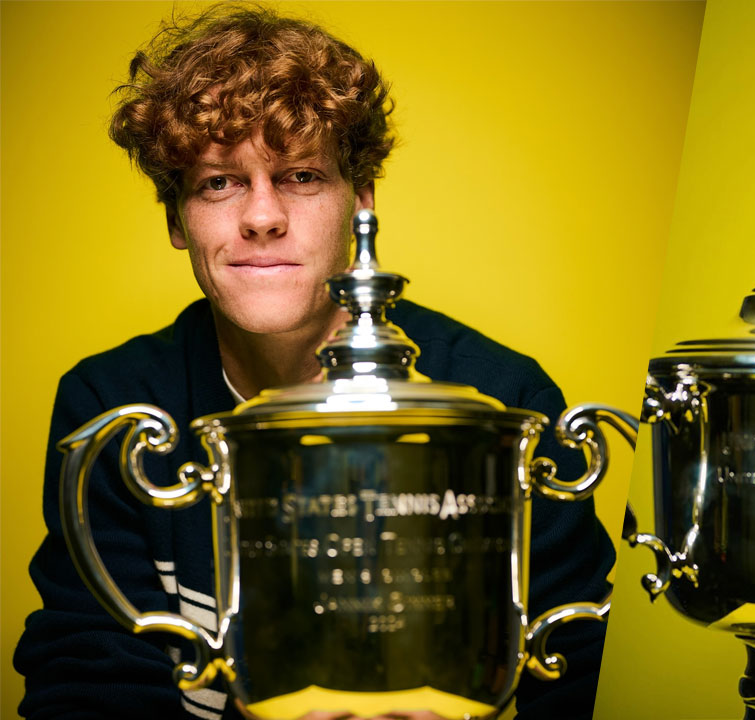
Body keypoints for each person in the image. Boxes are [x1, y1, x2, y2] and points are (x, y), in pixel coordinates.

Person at [13, 6, 612, 720]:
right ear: (176, 219)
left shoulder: (498, 398)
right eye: (217, 183)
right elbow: (88, 675)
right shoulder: (110, 403)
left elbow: (588, 670)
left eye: (299, 175)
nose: (262, 218)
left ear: (361, 203)